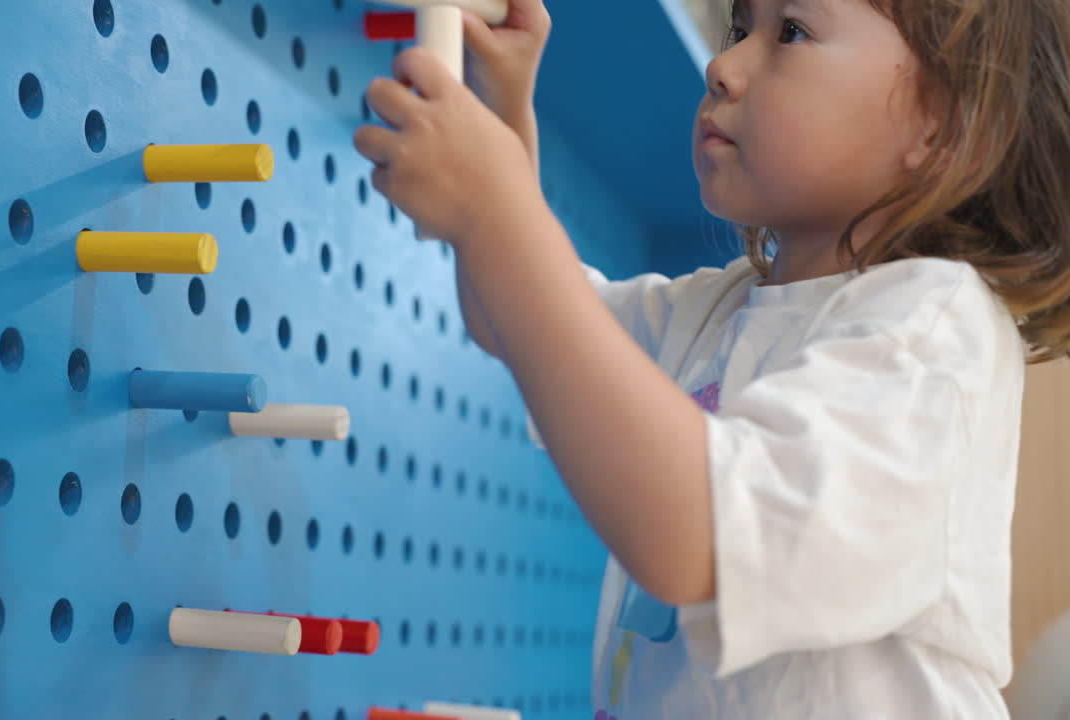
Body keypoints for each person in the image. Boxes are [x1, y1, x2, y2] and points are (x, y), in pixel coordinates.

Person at [352, 0, 1070, 716]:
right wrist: (500, 118)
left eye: (792, 32)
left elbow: (697, 534)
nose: (722, 66)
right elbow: (515, 320)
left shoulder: (932, 325)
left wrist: (495, 207)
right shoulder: (719, 307)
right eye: (740, 29)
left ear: (943, 125)